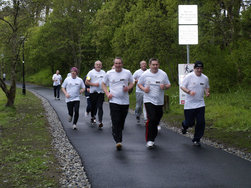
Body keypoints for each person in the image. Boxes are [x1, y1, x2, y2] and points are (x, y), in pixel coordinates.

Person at [138, 58, 171, 148]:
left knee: (157, 118)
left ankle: (153, 134)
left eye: (156, 65)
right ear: (150, 65)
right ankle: (150, 140)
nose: (155, 66)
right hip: (148, 99)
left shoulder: (163, 74)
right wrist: (144, 89)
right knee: (151, 118)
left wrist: (164, 86)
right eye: (153, 65)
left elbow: (168, 85)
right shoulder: (145, 74)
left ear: (158, 65)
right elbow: (139, 84)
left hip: (159, 101)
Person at [102, 57, 134, 150]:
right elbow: (103, 84)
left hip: (125, 101)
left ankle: (116, 132)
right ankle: (118, 141)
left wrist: (128, 88)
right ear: (114, 64)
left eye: (119, 63)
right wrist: (107, 93)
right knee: (115, 120)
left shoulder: (127, 72)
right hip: (114, 100)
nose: (118, 65)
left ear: (122, 64)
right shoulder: (109, 73)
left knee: (122, 121)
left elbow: (132, 82)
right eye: (116, 63)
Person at [180, 61, 210, 146]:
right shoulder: (189, 76)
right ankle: (184, 125)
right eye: (197, 68)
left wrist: (207, 92)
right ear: (194, 68)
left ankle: (196, 139)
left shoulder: (205, 78)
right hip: (189, 104)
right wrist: (189, 92)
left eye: (201, 68)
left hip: (200, 104)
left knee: (201, 122)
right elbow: (182, 86)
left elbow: (207, 87)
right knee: (190, 123)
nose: (199, 70)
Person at [85, 60, 106, 128]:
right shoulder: (90, 73)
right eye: (97, 64)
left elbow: (106, 81)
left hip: (101, 92)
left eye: (100, 64)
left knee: (100, 106)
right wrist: (94, 84)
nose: (98, 66)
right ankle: (93, 117)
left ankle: (100, 121)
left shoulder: (104, 73)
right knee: (93, 106)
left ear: (101, 66)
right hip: (93, 92)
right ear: (94, 65)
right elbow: (86, 82)